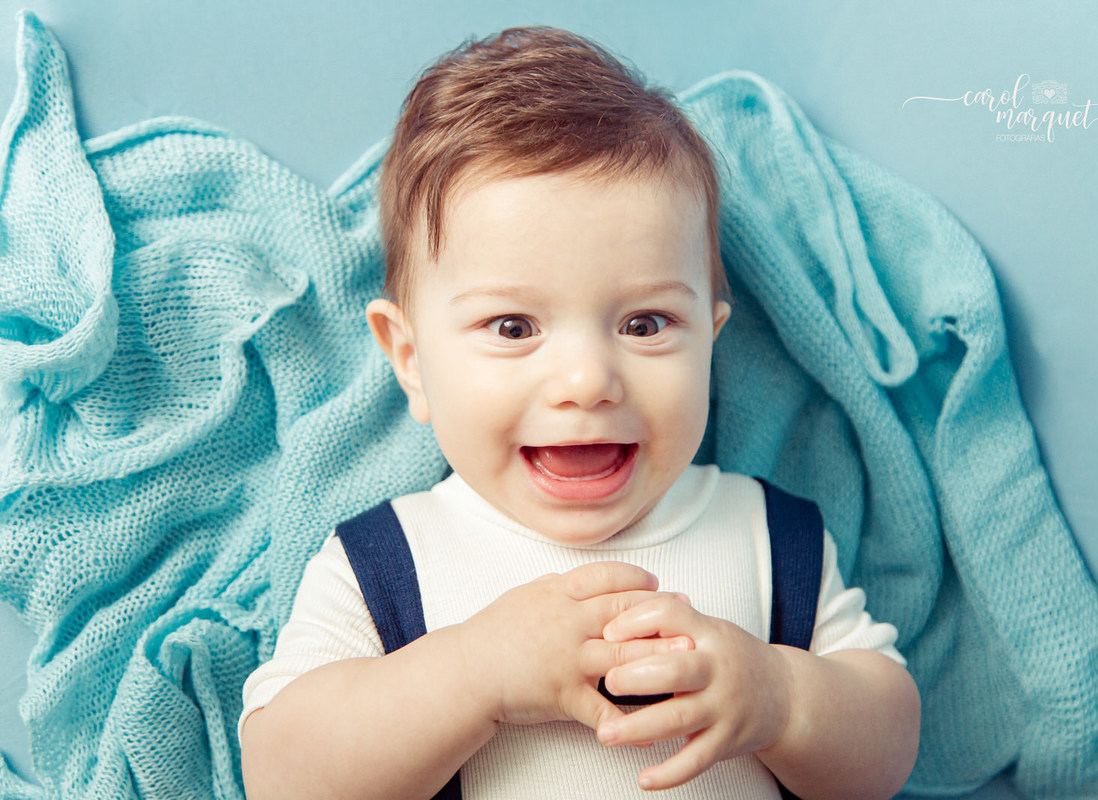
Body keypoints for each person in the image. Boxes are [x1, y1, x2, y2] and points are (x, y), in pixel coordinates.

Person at [239, 26, 920, 800]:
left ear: (710, 342)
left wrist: (780, 697)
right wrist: (474, 674)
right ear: (412, 360)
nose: (588, 382)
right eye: (513, 328)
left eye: (645, 325)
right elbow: (281, 777)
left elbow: (887, 750)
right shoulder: (388, 562)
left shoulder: (771, 537)